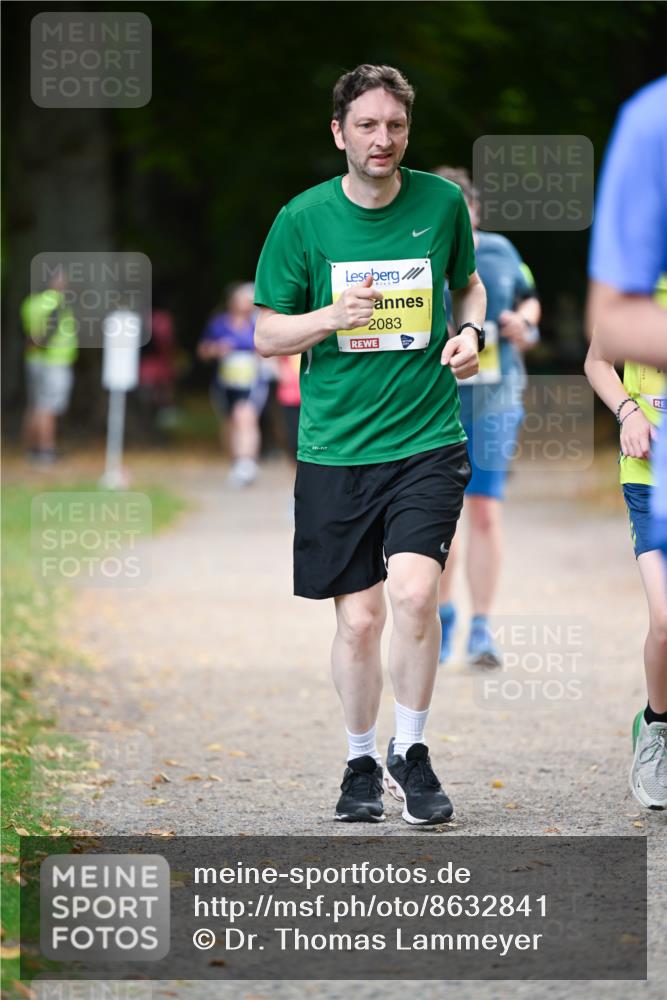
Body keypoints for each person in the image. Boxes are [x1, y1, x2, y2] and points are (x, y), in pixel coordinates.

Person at [254, 64, 486, 824]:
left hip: (425, 437)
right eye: (366, 125)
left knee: (416, 595)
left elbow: (469, 284)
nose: (381, 139)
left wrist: (470, 332)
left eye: (394, 125)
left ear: (406, 132)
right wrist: (330, 316)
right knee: (358, 620)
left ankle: (411, 751)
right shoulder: (302, 219)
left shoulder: (442, 202)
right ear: (338, 133)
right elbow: (264, 333)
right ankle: (360, 760)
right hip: (336, 450)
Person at [585, 74, 667, 810]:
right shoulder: (641, 259)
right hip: (651, 466)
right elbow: (597, 351)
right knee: (665, 618)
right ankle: (657, 727)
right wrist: (625, 411)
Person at [433, 167, 540, 667]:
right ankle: (441, 617)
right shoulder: (415, 253)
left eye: (462, 207)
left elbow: (529, 299)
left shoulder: (499, 251)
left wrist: (525, 323)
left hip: (497, 397)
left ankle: (480, 627)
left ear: (473, 211)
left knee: (484, 510)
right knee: (439, 516)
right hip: (437, 401)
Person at [198, 282, 267, 487]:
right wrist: (215, 350)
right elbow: (203, 350)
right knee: (229, 423)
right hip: (225, 382)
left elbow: (270, 348)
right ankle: (236, 462)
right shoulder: (219, 324)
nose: (245, 302)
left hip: (252, 381)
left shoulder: (258, 323)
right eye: (242, 298)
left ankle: (247, 464)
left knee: (245, 417)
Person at [21, 267, 78, 464]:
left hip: (34, 359)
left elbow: (29, 332)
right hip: (53, 360)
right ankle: (46, 449)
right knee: (48, 406)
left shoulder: (31, 303)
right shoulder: (57, 302)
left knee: (35, 405)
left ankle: (32, 449)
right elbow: (50, 329)